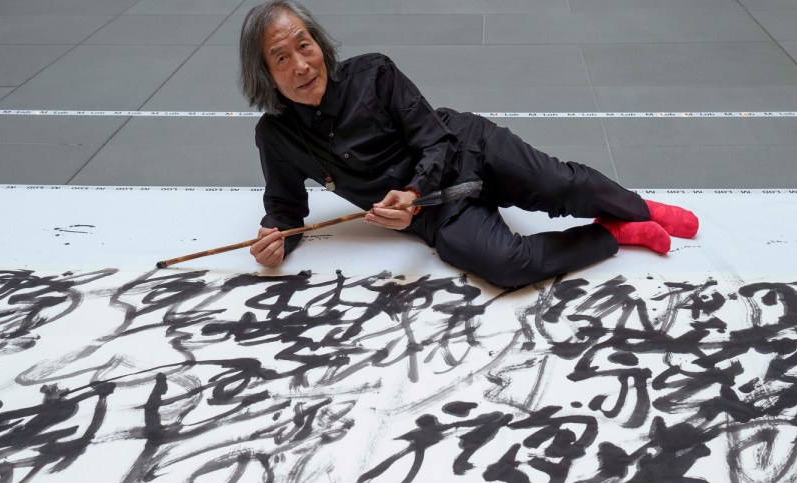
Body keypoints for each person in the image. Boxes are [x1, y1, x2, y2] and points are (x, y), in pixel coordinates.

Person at [241, 1, 699, 289]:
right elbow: (285, 207)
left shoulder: (374, 73)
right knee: (506, 266)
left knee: (559, 183)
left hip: (467, 150)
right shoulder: (276, 135)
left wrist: (412, 193)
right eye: (282, 58)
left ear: (320, 45)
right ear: (264, 74)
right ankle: (613, 233)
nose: (301, 65)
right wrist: (277, 237)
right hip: (437, 214)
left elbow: (434, 140)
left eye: (305, 46)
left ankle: (638, 207)